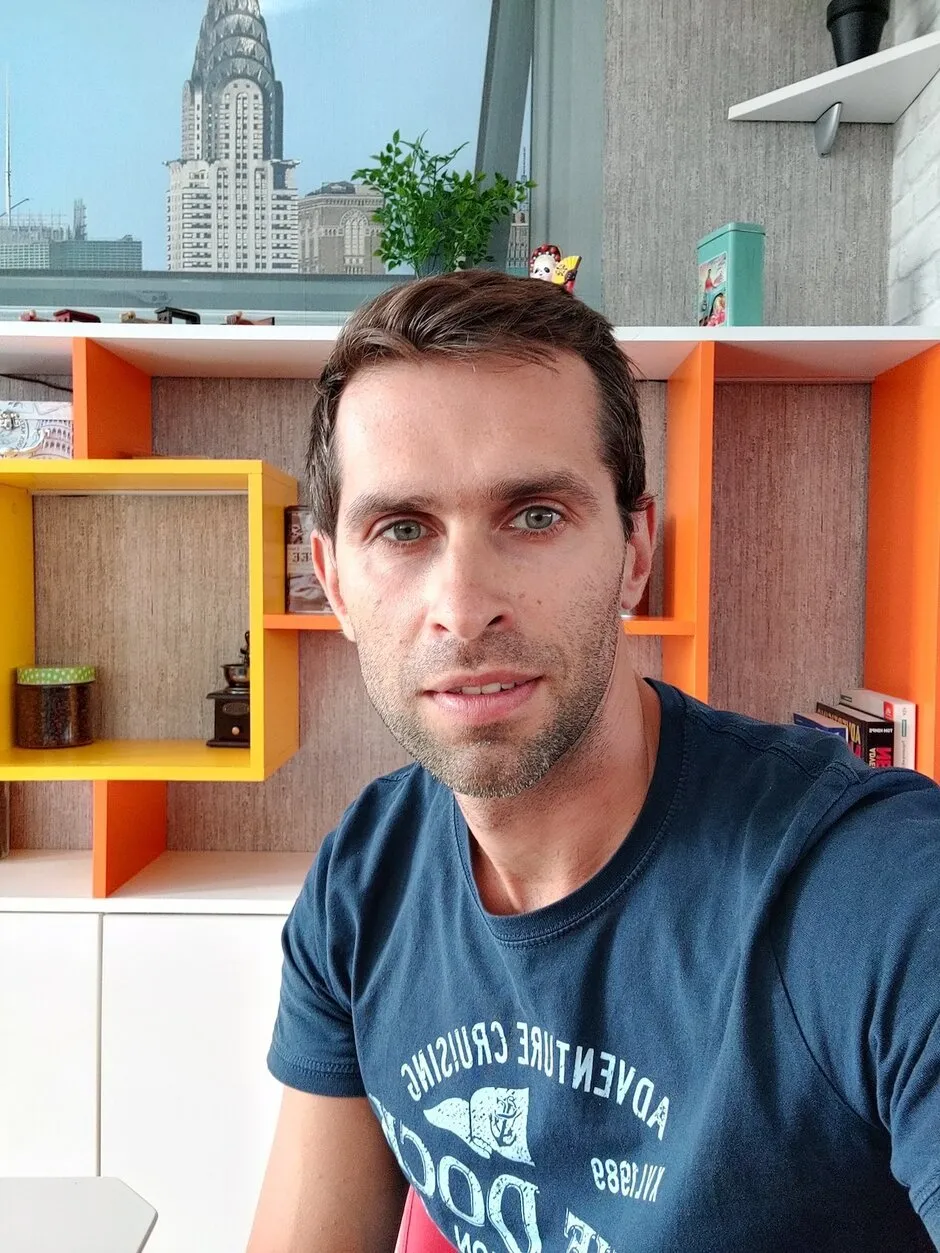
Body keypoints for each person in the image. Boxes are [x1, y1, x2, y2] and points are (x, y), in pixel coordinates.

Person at [247, 270, 940, 1253]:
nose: (463, 607)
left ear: (634, 551)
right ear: (335, 583)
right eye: (402, 529)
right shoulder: (365, 878)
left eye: (534, 514)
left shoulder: (873, 894)